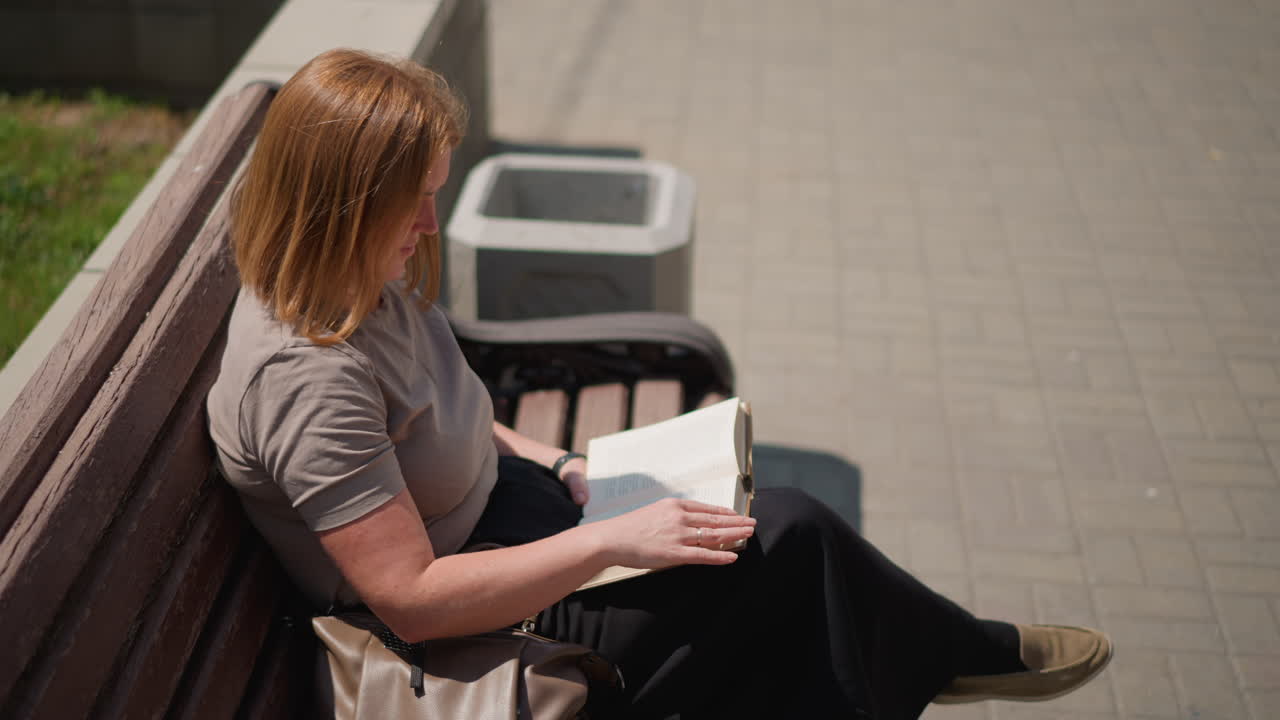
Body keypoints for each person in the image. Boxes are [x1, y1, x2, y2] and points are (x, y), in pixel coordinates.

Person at [206, 48, 1113, 719]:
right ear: (341, 203)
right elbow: (411, 598)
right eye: (413, 202)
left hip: (519, 517)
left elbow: (451, 414)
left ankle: (933, 654)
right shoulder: (305, 380)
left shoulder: (358, 278)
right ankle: (951, 653)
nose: (430, 223)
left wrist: (564, 463)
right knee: (781, 540)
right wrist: (614, 542)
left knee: (767, 558)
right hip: (478, 621)